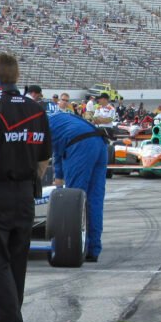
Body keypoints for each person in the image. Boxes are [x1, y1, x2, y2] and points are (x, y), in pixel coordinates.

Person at [0, 53, 51, 322]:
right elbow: (44, 159)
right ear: (16, 76)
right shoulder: (37, 108)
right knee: (16, 260)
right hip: (26, 192)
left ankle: (9, 320)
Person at [46, 105, 107, 262]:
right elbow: (57, 149)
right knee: (94, 199)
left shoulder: (39, 123)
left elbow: (44, 153)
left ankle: (72, 246)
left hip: (79, 145)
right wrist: (59, 175)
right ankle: (93, 249)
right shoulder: (58, 118)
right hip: (99, 142)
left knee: (74, 201)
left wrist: (57, 177)